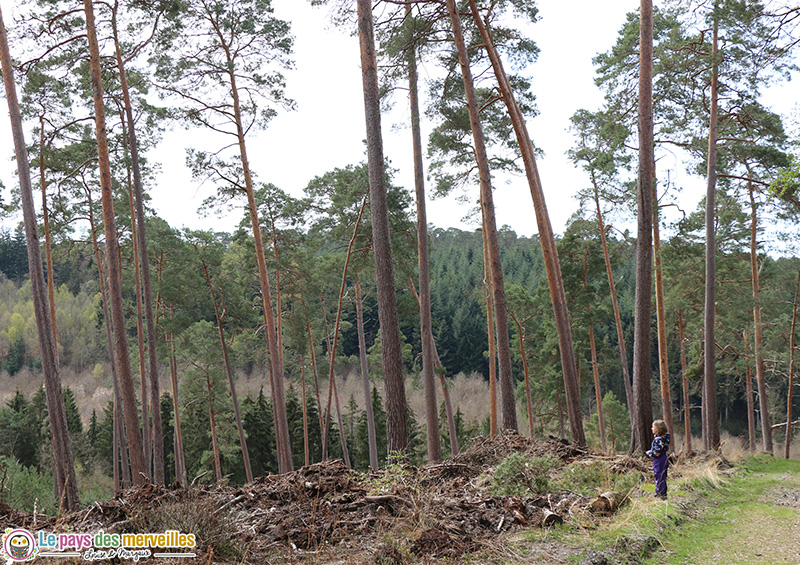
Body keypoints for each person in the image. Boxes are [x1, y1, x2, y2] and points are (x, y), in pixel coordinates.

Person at [645, 419, 670, 499]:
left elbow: (657, 453)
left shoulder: (658, 440)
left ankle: (660, 494)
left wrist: (649, 453)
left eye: (653, 427)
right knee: (662, 476)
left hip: (659, 460)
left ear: (658, 429)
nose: (652, 429)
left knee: (659, 476)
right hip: (664, 458)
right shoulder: (665, 438)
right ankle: (663, 493)